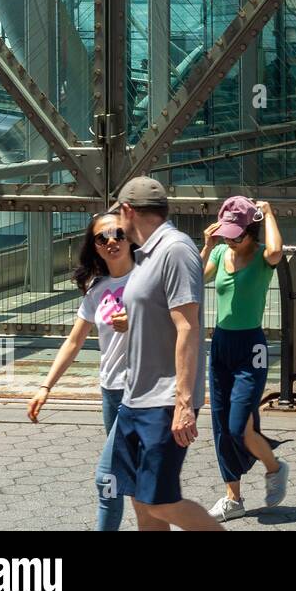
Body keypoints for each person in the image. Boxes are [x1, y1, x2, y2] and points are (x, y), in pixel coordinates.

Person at [109, 176, 221, 531]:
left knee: (161, 501)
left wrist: (184, 403)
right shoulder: (145, 255)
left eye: (118, 217)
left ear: (128, 210)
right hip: (135, 396)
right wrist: (132, 318)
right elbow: (158, 310)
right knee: (141, 500)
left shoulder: (175, 249)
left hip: (164, 399)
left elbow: (188, 326)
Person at [28, 212, 134, 531]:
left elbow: (179, 327)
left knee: (108, 477)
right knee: (129, 479)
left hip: (143, 393)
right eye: (103, 238)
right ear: (95, 247)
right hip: (111, 392)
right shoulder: (97, 289)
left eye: (118, 233)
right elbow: (74, 342)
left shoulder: (149, 279)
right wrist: (45, 387)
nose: (111, 241)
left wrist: (137, 322)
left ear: (130, 237)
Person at [199, 196, 289, 522]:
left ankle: (274, 468)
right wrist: (208, 245)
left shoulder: (264, 256)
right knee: (221, 426)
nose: (231, 240)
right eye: (227, 233)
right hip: (221, 344)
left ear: (251, 232)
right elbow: (195, 278)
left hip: (251, 347)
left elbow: (278, 250)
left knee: (239, 427)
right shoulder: (221, 251)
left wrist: (268, 212)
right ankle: (232, 498)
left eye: (237, 234)